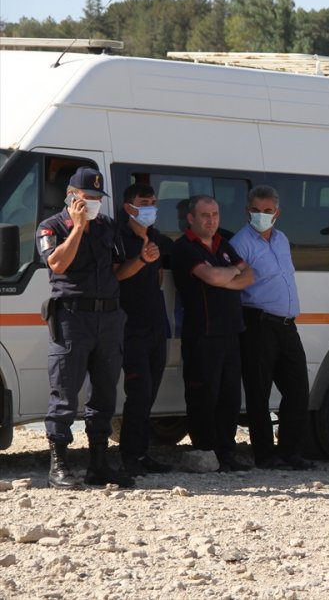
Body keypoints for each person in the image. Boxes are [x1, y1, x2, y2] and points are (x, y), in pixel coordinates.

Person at [36, 167, 134, 488]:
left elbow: (117, 266)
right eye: (87, 197)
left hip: (107, 318)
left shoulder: (107, 227)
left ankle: (99, 464)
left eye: (97, 198)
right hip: (72, 318)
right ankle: (59, 465)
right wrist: (77, 228)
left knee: (104, 392)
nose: (92, 203)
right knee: (64, 391)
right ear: (70, 195)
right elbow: (57, 263)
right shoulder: (51, 227)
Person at [230, 185, 315, 471]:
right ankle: (265, 456)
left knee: (298, 390)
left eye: (267, 211)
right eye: (256, 211)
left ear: (277, 212)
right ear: (247, 211)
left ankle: (291, 451)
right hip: (258, 323)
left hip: (288, 325)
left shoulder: (281, 239)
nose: (261, 216)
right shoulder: (240, 243)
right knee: (259, 393)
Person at [172, 194, 255, 472]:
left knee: (230, 395)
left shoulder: (223, 244)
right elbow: (212, 278)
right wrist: (231, 273)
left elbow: (250, 276)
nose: (212, 220)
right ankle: (205, 450)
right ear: (191, 218)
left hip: (231, 331)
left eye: (216, 215)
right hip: (202, 333)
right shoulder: (184, 247)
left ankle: (226, 451)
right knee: (204, 394)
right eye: (205, 215)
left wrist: (225, 277)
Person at [116, 183, 173, 477]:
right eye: (144, 201)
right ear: (129, 207)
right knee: (137, 393)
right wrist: (141, 259)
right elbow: (117, 275)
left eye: (153, 201)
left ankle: (141, 451)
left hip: (155, 327)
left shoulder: (155, 238)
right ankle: (129, 457)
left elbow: (159, 276)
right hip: (131, 327)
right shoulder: (120, 238)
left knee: (149, 394)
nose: (150, 206)